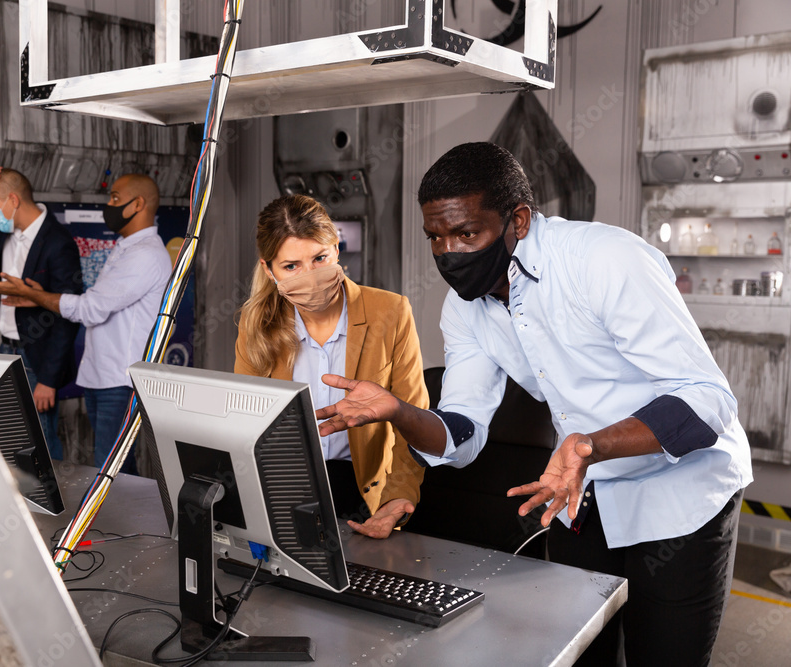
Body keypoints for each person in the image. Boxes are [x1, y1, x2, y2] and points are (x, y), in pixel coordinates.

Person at [315, 143, 752, 665]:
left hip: (681, 500)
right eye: (436, 238)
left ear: (517, 221)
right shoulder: (464, 309)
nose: (448, 253)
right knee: (577, 651)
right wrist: (400, 412)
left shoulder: (603, 260)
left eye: (466, 234)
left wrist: (592, 444)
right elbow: (463, 431)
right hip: (578, 495)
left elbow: (707, 400)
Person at [234, 194, 428, 540]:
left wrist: (398, 495)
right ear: (269, 269)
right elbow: (245, 423)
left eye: (320, 258)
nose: (309, 276)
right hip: (286, 489)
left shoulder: (391, 311)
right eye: (291, 266)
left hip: (365, 489)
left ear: (336, 249)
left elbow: (413, 416)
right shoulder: (257, 325)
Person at [0, 174, 171, 471]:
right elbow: (94, 301)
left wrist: (34, 296)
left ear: (138, 204)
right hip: (102, 376)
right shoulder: (126, 247)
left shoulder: (145, 255)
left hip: (121, 379)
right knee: (111, 466)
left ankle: (126, 518)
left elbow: (91, 308)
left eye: (115, 198)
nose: (109, 204)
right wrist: (40, 297)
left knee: (112, 469)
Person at [0, 167, 82, 460]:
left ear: (13, 200)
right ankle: (21, 501)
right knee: (7, 438)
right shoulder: (5, 227)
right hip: (4, 350)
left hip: (36, 358)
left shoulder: (58, 242)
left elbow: (68, 314)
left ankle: (54, 505)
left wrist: (49, 380)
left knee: (41, 442)